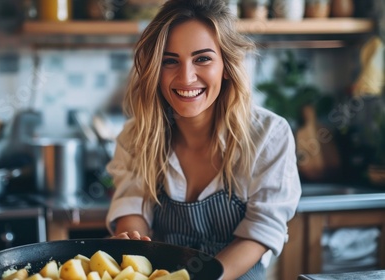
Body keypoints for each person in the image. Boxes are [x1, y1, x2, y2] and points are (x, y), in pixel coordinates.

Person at [105, 0, 302, 279]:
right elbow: (132, 208)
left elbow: (259, 233)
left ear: (226, 64)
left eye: (203, 59)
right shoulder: (136, 136)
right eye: (170, 60)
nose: (186, 77)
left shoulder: (269, 135)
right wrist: (132, 244)